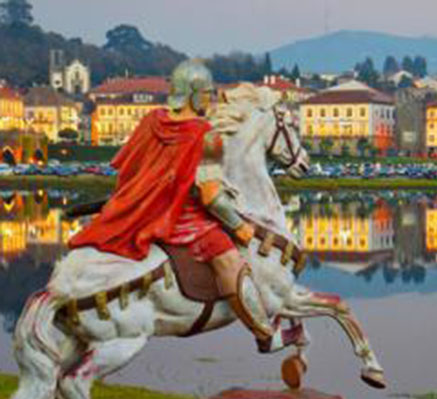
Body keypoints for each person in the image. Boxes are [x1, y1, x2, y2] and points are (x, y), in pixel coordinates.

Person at [68, 59, 299, 353]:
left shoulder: (151, 121)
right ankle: (264, 334)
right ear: (192, 93)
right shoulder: (207, 135)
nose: (210, 99)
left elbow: (129, 170)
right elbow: (211, 195)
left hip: (146, 213)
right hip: (184, 219)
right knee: (229, 260)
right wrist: (239, 226)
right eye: (207, 92)